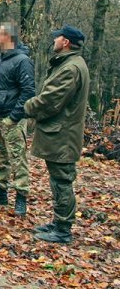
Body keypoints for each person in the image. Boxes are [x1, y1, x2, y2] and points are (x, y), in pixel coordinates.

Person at [25, 25, 90, 244]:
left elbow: (50, 101)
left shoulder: (70, 68)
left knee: (62, 181)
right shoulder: (68, 64)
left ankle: (63, 229)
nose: (53, 41)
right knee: (58, 180)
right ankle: (59, 222)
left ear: (66, 43)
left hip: (63, 135)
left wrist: (26, 107)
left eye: (57, 38)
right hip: (60, 133)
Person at [0, 22, 35, 216]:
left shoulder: (22, 61)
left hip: (12, 118)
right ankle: (0, 191)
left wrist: (14, 117)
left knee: (17, 158)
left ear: (8, 37)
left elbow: (28, 91)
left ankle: (21, 197)